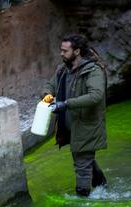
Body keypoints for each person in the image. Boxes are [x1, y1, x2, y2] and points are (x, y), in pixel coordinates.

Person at [41, 33, 108, 197]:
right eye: (61, 50)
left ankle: (82, 198)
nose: (61, 54)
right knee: (83, 158)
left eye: (65, 51)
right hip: (70, 126)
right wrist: (47, 94)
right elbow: (51, 84)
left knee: (82, 165)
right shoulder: (63, 69)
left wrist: (66, 104)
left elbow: (96, 96)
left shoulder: (93, 71)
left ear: (77, 51)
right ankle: (102, 186)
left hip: (86, 126)